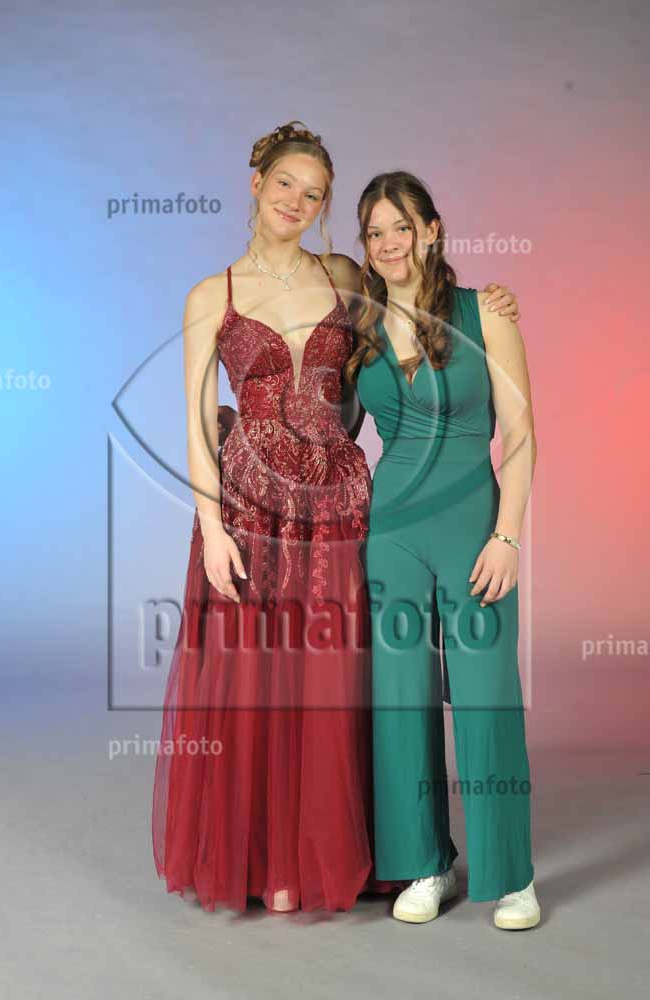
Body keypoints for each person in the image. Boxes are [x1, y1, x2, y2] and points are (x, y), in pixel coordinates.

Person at [152, 121, 521, 914]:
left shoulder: (345, 275)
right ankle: (267, 859)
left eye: (314, 193)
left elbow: (411, 311)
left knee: (344, 679)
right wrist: (211, 529)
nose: (297, 201)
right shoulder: (209, 296)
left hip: (339, 503)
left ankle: (346, 852)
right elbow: (192, 423)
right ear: (256, 184)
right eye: (285, 184)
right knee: (259, 678)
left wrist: (485, 304)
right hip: (249, 510)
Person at [350, 171, 540, 930]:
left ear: (431, 229)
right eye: (374, 232)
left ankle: (511, 874)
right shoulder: (359, 329)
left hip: (472, 525)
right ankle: (424, 862)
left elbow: (519, 435)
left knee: (486, 694)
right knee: (401, 699)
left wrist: (507, 533)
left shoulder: (483, 312)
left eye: (401, 226)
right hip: (391, 529)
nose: (388, 243)